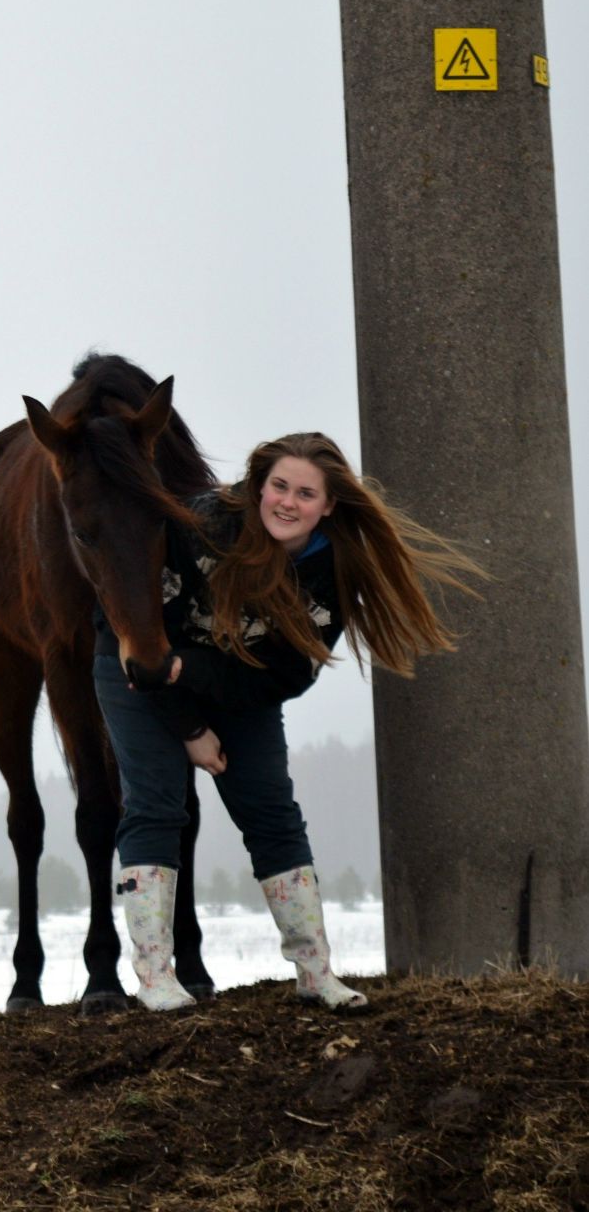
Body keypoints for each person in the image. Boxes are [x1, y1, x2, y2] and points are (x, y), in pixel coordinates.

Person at [93, 432, 484, 1013]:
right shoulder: (203, 526)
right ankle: (155, 979)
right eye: (279, 486)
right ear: (258, 486)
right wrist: (192, 730)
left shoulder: (332, 568)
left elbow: (285, 676)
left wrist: (196, 676)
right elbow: (145, 643)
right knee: (156, 805)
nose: (287, 502)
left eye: (305, 493)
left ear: (327, 505)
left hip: (232, 681)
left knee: (272, 810)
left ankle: (315, 973)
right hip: (139, 669)